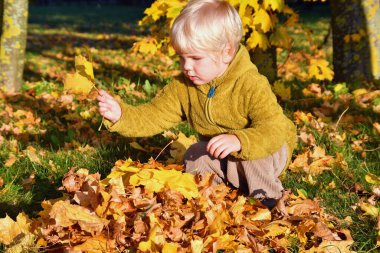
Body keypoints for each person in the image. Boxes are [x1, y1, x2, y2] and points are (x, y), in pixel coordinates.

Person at [97, 0, 296, 209]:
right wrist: (121, 115)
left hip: (267, 150)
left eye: (195, 58)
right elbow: (154, 115)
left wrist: (240, 140)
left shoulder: (250, 84)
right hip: (225, 155)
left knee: (251, 154)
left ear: (226, 52)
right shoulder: (184, 87)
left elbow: (274, 130)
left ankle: (268, 200)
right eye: (182, 58)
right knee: (195, 153)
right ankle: (210, 196)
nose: (187, 67)